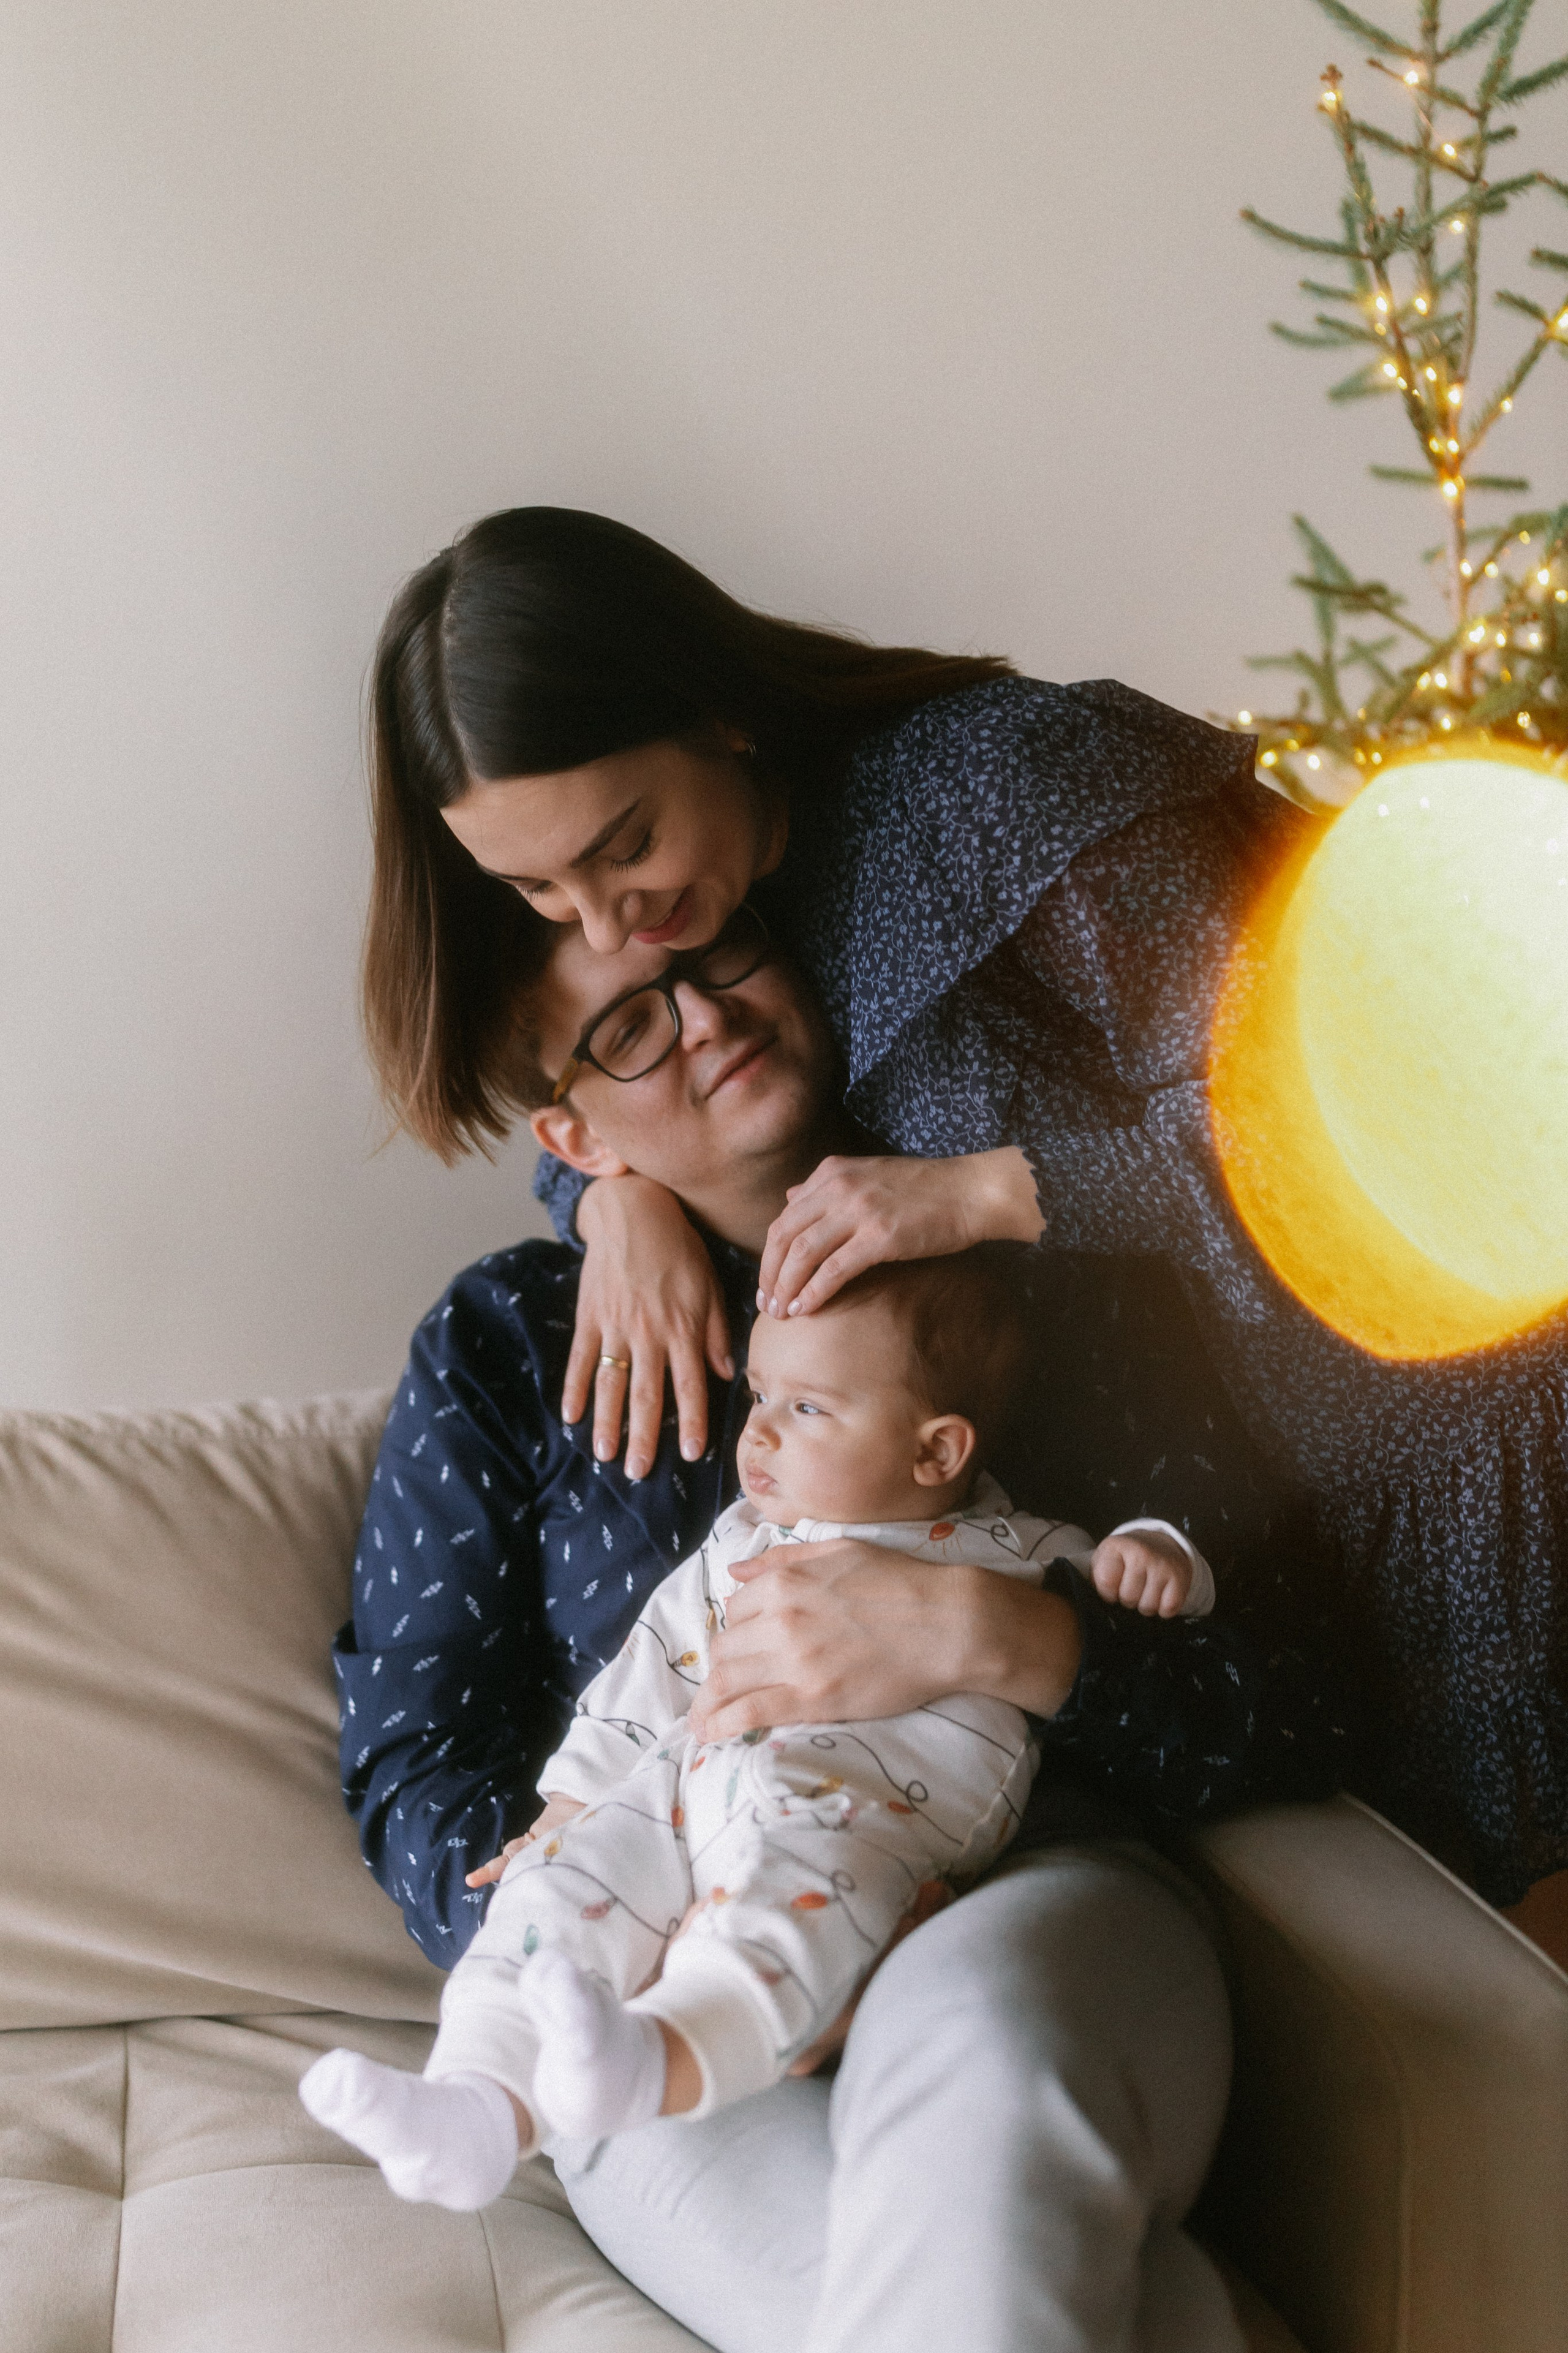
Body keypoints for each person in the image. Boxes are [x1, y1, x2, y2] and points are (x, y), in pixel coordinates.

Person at [360, 505, 1567, 1917]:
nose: (607, 922)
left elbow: (1394, 1101)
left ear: (718, 720)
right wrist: (608, 1195)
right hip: (1246, 1502)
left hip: (1444, 1435)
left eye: (619, 845)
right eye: (536, 886)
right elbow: (625, 1081)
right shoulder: (722, 909)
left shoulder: (999, 799)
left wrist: (995, 1187)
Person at [336, 909, 1343, 2353]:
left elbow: (1290, 1698)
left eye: (721, 957)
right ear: (570, 1128)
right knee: (949, 2301)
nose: (701, 1021)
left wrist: (999, 1632)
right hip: (641, 1987)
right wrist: (602, 1890)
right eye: (627, 1026)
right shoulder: (506, 1340)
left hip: (1004, 1891)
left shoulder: (1014, 1277)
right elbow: (409, 1761)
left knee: (986, 2123)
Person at [306, 1245, 1215, 2206]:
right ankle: (477, 2103)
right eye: (762, 1398)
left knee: (783, 1899)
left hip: (852, 1806)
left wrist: (1160, 1553)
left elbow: (1148, 1601)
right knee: (557, 1883)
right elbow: (647, 1671)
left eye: (808, 1409)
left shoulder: (1014, 1547)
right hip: (682, 1779)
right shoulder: (740, 1539)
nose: (761, 1436)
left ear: (937, 1450)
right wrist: (567, 1809)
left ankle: (658, 2055)